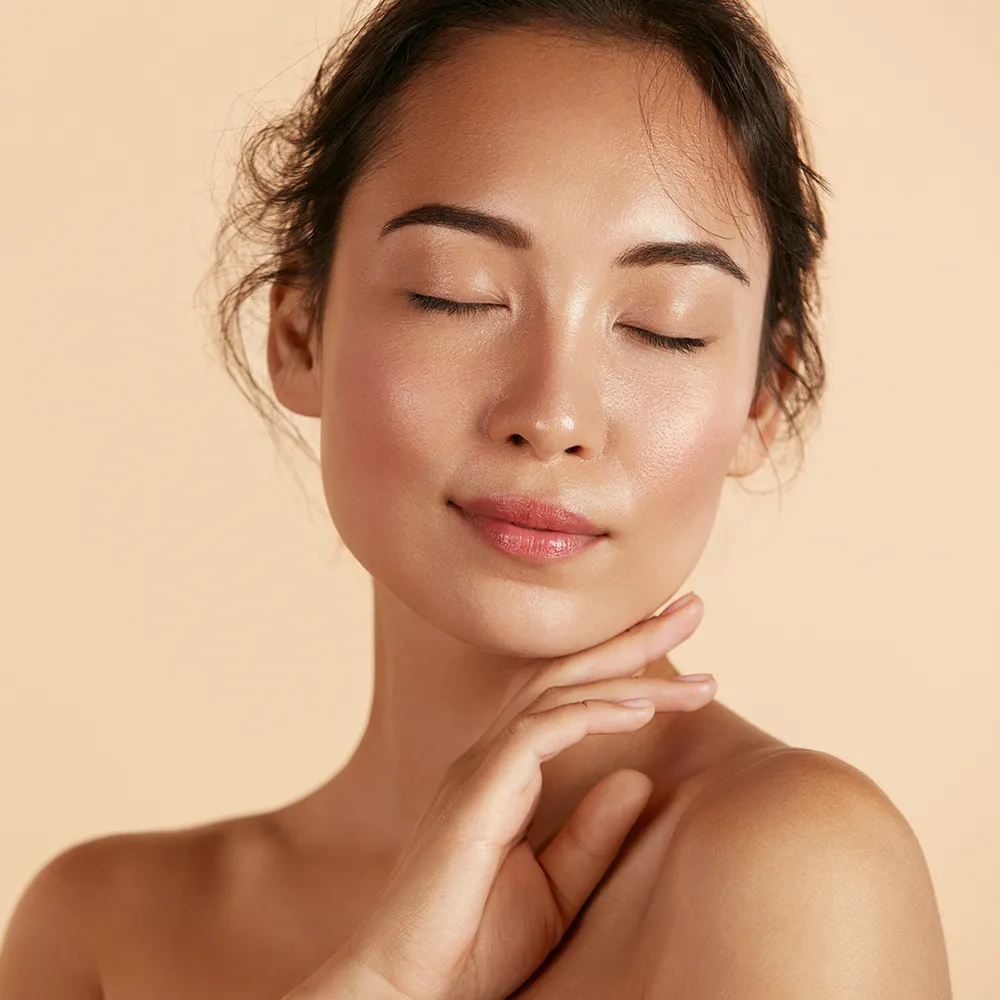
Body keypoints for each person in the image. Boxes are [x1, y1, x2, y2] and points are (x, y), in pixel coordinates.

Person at [0, 0, 953, 997]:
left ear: (761, 398)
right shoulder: (104, 929)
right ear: (300, 332)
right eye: (453, 293)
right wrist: (376, 982)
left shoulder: (800, 869)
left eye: (665, 327)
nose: (552, 415)